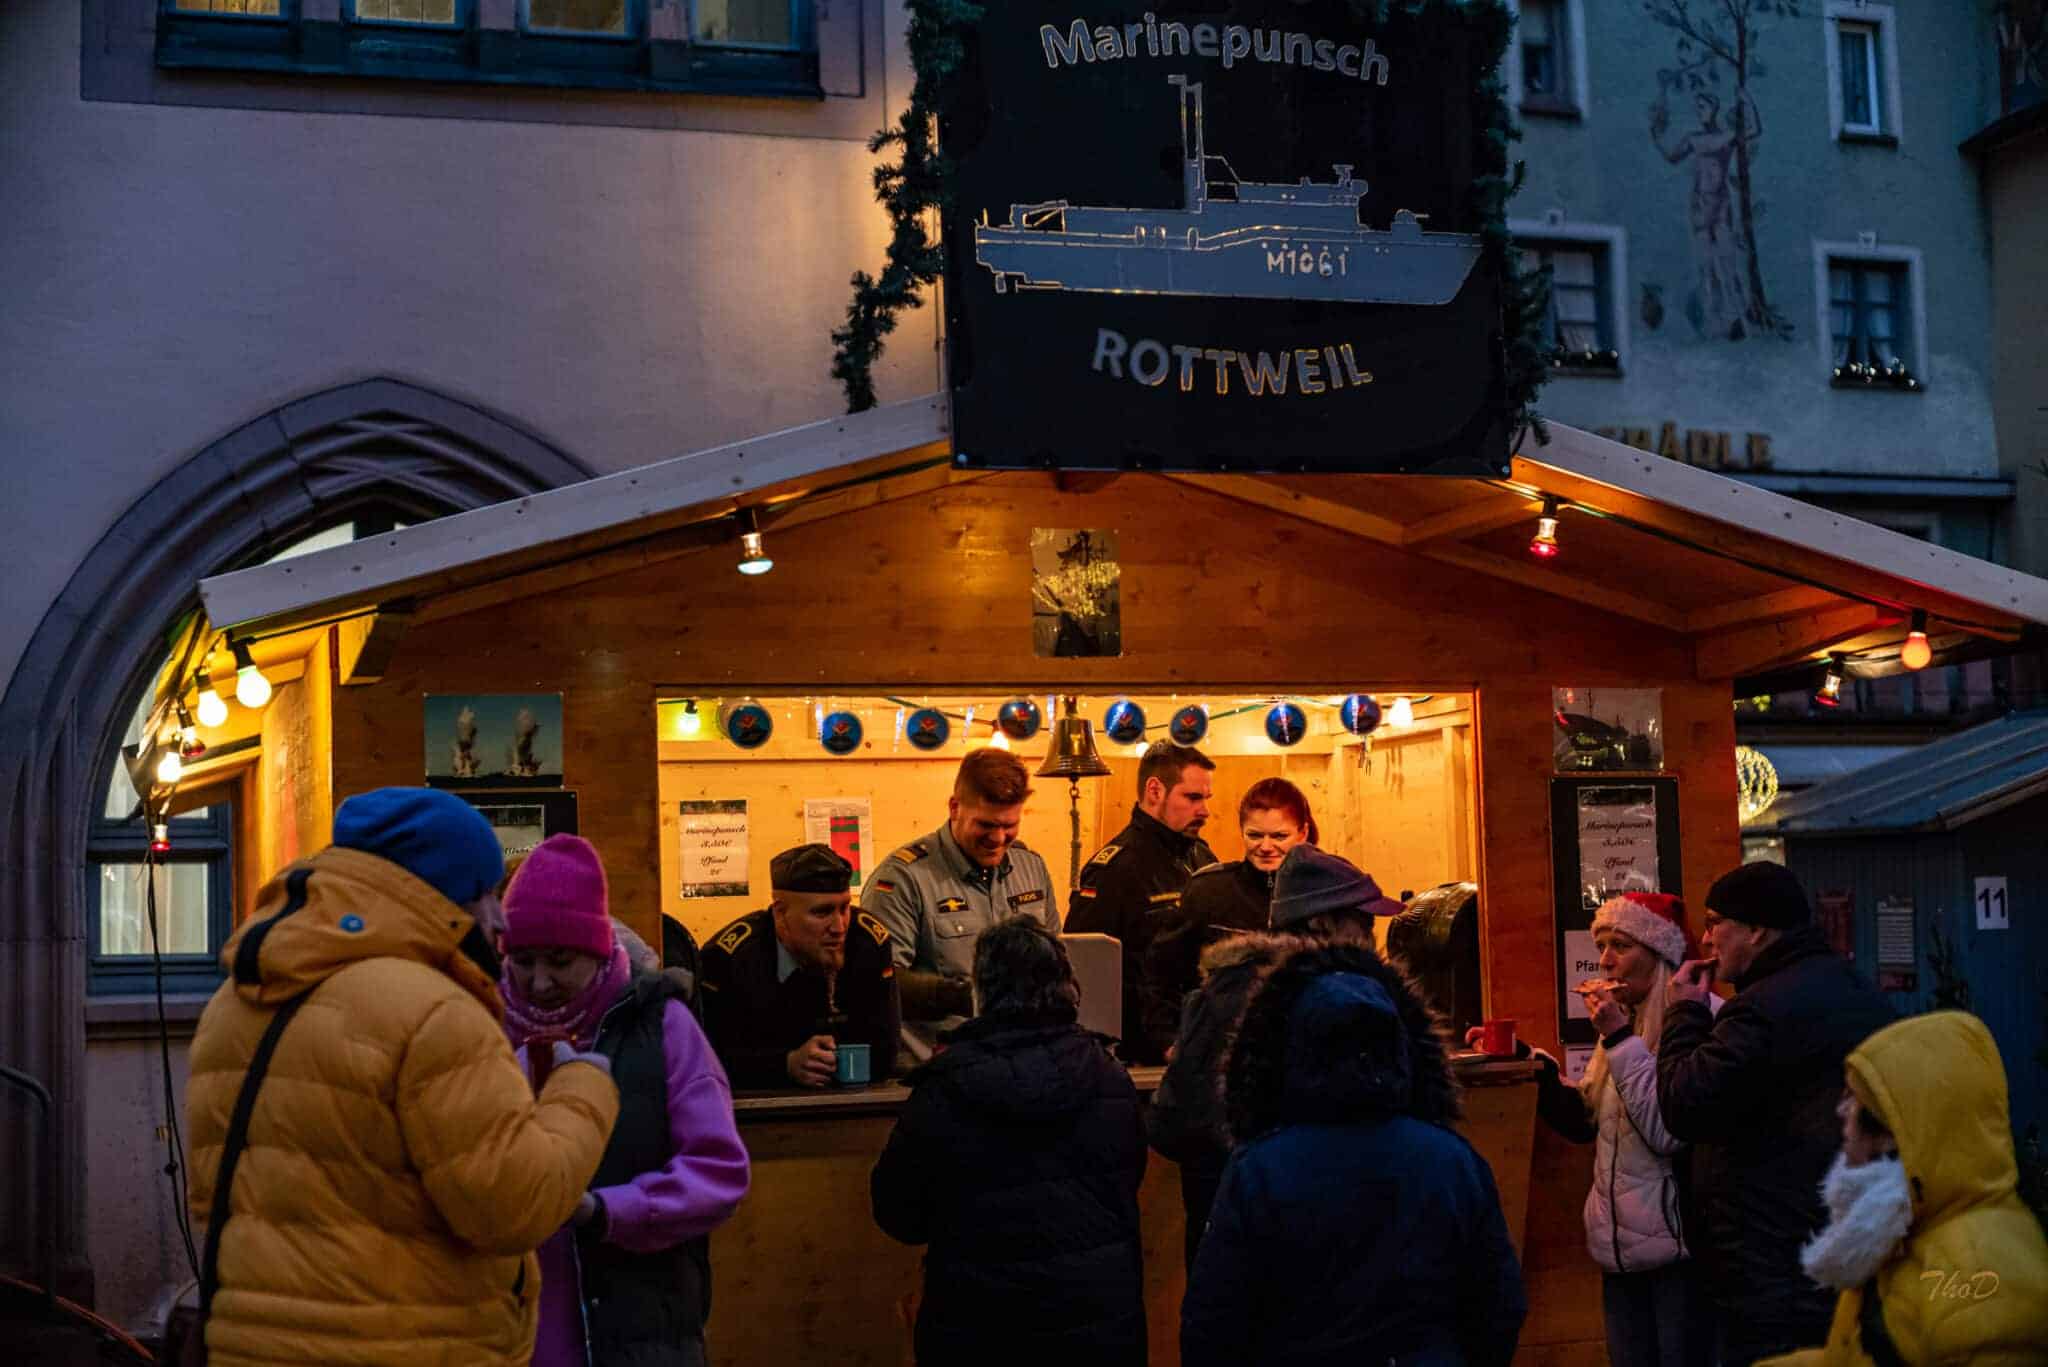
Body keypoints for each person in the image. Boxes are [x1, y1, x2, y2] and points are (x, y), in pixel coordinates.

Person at [184, 787, 620, 1365]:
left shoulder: (230, 1007)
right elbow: (514, 1206)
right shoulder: (435, 1012)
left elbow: (210, 1197)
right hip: (402, 1346)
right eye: (485, 892)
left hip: (246, 1346)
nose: (499, 918)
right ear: (439, 894)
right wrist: (582, 1087)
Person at [1182, 938, 1525, 1366]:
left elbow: (1214, 1320)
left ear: (1294, 1049)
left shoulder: (1260, 1170)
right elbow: (1498, 1303)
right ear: (1401, 1046)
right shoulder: (1452, 1160)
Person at [498, 834, 750, 1367]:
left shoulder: (663, 1026)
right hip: (501, 1330)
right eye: (522, 961)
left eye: (560, 961)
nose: (539, 982)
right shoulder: (479, 1027)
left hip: (640, 1326)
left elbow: (719, 1170)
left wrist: (610, 1211)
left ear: (596, 951)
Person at [870, 918, 1147, 1367]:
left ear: (981, 992)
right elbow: (1129, 1180)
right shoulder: (1109, 1077)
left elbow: (899, 1214)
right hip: (1099, 1322)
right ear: (1068, 986)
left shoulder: (944, 1088)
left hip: (978, 1327)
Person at [1657, 861, 1895, 1367]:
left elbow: (1684, 1104)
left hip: (1772, 1263)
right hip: (1838, 1241)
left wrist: (1685, 1012)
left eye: (1714, 922)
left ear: (1757, 930)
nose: (1706, 939)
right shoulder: (1852, 988)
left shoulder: (1760, 1011)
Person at [1149, 842, 1397, 1269]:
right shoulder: (1304, 999)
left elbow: (1171, 1121)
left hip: (1231, 1220)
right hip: (1272, 1224)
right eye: (1361, 921)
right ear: (1321, 923)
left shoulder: (1225, 988)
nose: (1371, 937)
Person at [1757, 1011, 2048, 1366]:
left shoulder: (1986, 1285)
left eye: (1854, 1101)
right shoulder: (1895, 1229)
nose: (1841, 1111)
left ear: (1897, 1131)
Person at [1507, 893, 1716, 1367]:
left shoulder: (1697, 1021)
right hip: (1620, 1251)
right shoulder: (1627, 1024)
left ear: (1659, 955)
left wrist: (1618, 1037)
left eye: (1620, 945)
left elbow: (1666, 1131)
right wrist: (1528, 1064)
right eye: (1601, 946)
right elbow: (1588, 1120)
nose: (1604, 961)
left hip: (1680, 1254)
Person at [863, 747, 1057, 1064]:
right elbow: (878, 983)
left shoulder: (1031, 868)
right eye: (986, 825)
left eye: (1009, 825)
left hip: (1023, 1062)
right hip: (939, 1069)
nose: (998, 838)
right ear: (955, 808)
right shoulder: (902, 879)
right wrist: (963, 996)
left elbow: (1056, 961)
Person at [698, 842, 902, 1088]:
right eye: (822, 913)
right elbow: (706, 1063)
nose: (839, 927)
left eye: (844, 908)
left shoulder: (868, 943)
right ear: (780, 913)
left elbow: (884, 1052)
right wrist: (784, 1065)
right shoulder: (732, 960)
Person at [1140, 776, 1316, 1058]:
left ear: (1302, 832)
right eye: (1254, 835)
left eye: (1279, 836)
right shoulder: (1210, 891)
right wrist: (1168, 1041)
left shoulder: (1327, 895)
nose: (1266, 846)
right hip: (1220, 1052)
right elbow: (1161, 973)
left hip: (1302, 1051)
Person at [1066, 741, 1218, 1063]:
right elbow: (1083, 971)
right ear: (1155, 791)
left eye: (1206, 798)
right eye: (1193, 797)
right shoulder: (1115, 869)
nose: (1204, 810)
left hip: (1199, 1040)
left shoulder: (1203, 858)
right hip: (1139, 1053)